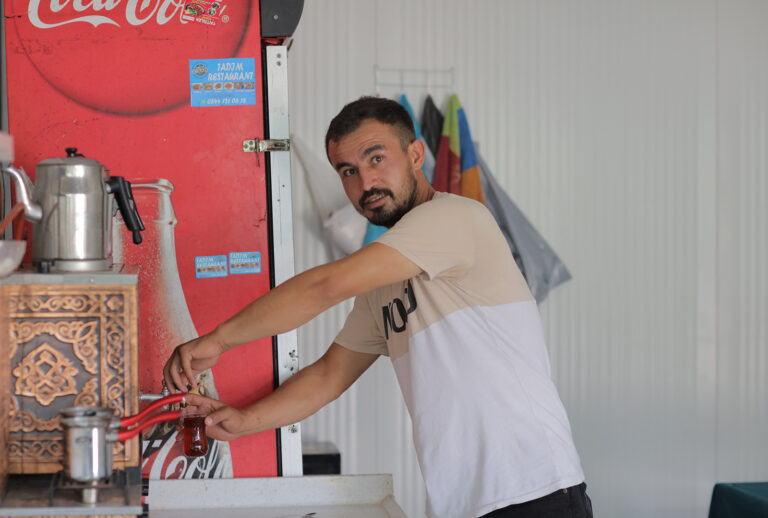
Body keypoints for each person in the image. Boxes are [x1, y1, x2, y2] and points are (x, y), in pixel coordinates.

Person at [163, 96, 592, 518]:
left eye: (376, 158)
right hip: (467, 503)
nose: (365, 183)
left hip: (534, 490)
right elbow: (329, 375)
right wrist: (245, 422)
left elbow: (325, 286)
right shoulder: (386, 283)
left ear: (416, 154)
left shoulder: (458, 218)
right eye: (348, 171)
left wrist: (219, 340)